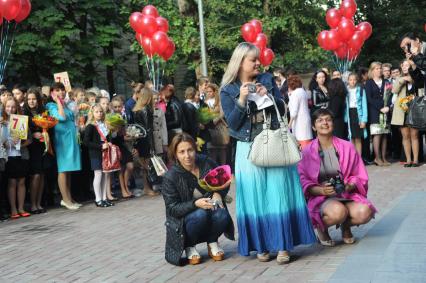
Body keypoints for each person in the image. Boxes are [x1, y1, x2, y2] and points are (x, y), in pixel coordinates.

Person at [220, 42, 316, 264]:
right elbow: (233, 124)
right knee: (254, 196)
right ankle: (261, 245)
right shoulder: (228, 89)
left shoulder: (266, 80)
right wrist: (242, 100)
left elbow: (284, 109)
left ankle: (283, 245)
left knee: (278, 191)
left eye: (257, 59)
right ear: (240, 62)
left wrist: (270, 97)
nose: (257, 63)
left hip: (273, 141)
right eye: (252, 60)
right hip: (247, 146)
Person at [298, 109, 376, 246]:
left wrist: (350, 185)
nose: (325, 123)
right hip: (321, 198)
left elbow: (359, 174)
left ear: (333, 123)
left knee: (365, 212)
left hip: (346, 194)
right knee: (339, 212)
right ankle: (321, 228)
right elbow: (302, 180)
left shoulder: (347, 147)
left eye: (328, 119)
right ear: (313, 126)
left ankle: (345, 227)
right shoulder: (307, 152)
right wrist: (320, 190)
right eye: (320, 120)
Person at [161, 133, 234, 266]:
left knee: (222, 213)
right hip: (186, 221)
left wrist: (218, 193)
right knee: (200, 214)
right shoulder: (170, 177)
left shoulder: (206, 162)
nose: (187, 155)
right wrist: (195, 204)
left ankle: (212, 242)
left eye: (190, 150)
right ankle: (190, 246)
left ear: (195, 149)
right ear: (175, 154)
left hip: (211, 209)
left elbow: (224, 179)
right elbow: (172, 209)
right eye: (181, 152)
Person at [45, 82, 82, 210]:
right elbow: (61, 117)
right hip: (62, 140)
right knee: (63, 169)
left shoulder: (65, 104)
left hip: (71, 139)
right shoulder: (51, 105)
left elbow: (72, 118)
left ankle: (69, 197)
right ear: (52, 93)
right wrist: (59, 102)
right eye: (57, 90)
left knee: (69, 170)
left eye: (62, 90)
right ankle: (65, 200)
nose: (61, 92)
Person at [23, 88, 54, 214]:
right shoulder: (24, 112)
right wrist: (33, 134)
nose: (31, 101)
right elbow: (22, 130)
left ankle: (39, 203)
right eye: (29, 99)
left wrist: (44, 133)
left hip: (42, 145)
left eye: (34, 99)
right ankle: (33, 204)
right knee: (35, 175)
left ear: (38, 100)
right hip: (31, 147)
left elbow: (49, 127)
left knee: (41, 174)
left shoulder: (43, 111)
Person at [391, 59, 423, 167]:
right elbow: (394, 91)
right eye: (403, 65)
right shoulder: (399, 79)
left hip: (414, 110)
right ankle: (408, 160)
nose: (404, 67)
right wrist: (402, 80)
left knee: (414, 135)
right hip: (402, 111)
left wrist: (411, 79)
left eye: (407, 65)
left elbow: (420, 85)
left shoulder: (417, 78)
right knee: (405, 136)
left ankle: (415, 160)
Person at [4, 97, 31, 219]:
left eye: (13, 106)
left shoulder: (21, 120)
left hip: (20, 155)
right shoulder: (2, 121)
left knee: (21, 181)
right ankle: (13, 209)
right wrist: (8, 143)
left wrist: (21, 143)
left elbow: (29, 139)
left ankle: (21, 207)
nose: (11, 109)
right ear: (4, 107)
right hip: (8, 156)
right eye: (8, 106)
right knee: (12, 182)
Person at [84, 104, 114, 207]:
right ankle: (98, 199)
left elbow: (108, 138)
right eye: (96, 112)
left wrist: (109, 143)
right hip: (95, 154)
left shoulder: (105, 124)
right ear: (92, 113)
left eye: (101, 111)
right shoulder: (90, 126)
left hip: (105, 152)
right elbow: (86, 142)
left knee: (105, 174)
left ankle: (104, 198)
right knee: (98, 174)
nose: (99, 114)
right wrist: (100, 146)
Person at [132, 87, 159, 196]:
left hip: (140, 139)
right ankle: (148, 188)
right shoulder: (146, 109)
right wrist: (152, 145)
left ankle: (146, 187)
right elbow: (148, 128)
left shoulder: (136, 109)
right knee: (147, 165)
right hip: (146, 140)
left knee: (144, 165)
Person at [365, 62, 392, 166]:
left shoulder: (386, 82)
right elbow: (369, 98)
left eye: (380, 68)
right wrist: (380, 108)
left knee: (385, 134)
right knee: (377, 134)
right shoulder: (369, 83)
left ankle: (384, 158)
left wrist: (388, 107)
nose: (379, 70)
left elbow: (390, 95)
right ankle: (377, 158)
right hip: (375, 111)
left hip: (385, 110)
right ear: (372, 71)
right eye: (376, 68)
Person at [111, 96, 134, 198]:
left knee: (130, 166)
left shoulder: (123, 116)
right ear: (112, 107)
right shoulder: (111, 118)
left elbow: (124, 133)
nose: (117, 109)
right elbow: (112, 136)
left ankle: (126, 186)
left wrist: (129, 136)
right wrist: (116, 131)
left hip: (123, 144)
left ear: (122, 106)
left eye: (119, 106)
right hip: (115, 145)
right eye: (115, 107)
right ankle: (124, 190)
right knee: (121, 168)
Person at [344, 73, 368, 155]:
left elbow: (364, 106)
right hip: (349, 114)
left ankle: (359, 159)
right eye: (350, 80)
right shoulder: (345, 91)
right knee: (351, 138)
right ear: (348, 81)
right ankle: (353, 158)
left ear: (356, 80)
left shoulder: (361, 90)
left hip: (358, 114)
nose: (352, 81)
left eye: (354, 79)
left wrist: (364, 120)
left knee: (358, 138)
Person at [205, 83, 228, 165]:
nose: (208, 93)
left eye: (210, 91)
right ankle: (214, 168)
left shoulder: (219, 101)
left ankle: (223, 166)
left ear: (214, 92)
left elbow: (222, 113)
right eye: (207, 92)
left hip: (219, 127)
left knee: (222, 149)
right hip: (210, 128)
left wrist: (215, 121)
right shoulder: (205, 102)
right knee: (212, 150)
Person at [287, 75, 312, 149]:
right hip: (305, 119)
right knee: (306, 140)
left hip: (299, 121)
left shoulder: (295, 93)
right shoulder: (302, 91)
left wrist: (289, 124)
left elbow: (294, 111)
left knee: (301, 142)